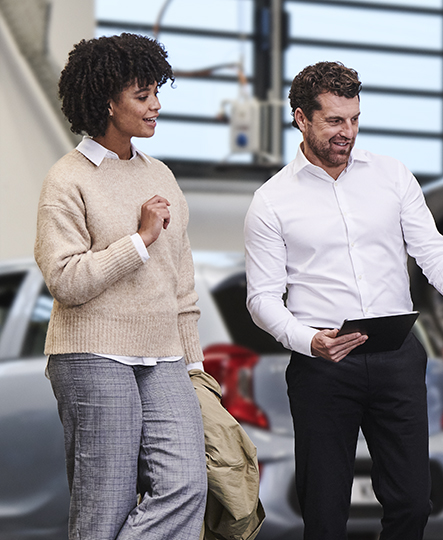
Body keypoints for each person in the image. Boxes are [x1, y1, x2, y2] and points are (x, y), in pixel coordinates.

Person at [244, 61, 443, 540]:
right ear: (301, 118)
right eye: (335, 121)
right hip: (323, 364)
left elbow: (433, 250)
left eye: (355, 119)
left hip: (397, 356)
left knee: (413, 503)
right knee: (324, 512)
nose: (348, 132)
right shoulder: (271, 202)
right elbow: (262, 298)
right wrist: (308, 340)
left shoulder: (392, 176)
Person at [34, 33, 207, 540]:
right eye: (142, 95)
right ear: (107, 102)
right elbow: (65, 280)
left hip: (163, 355)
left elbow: (182, 281)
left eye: (157, 92)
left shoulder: (162, 176)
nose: (156, 106)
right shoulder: (68, 179)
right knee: (103, 506)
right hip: (91, 352)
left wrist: (195, 367)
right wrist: (140, 239)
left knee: (187, 486)